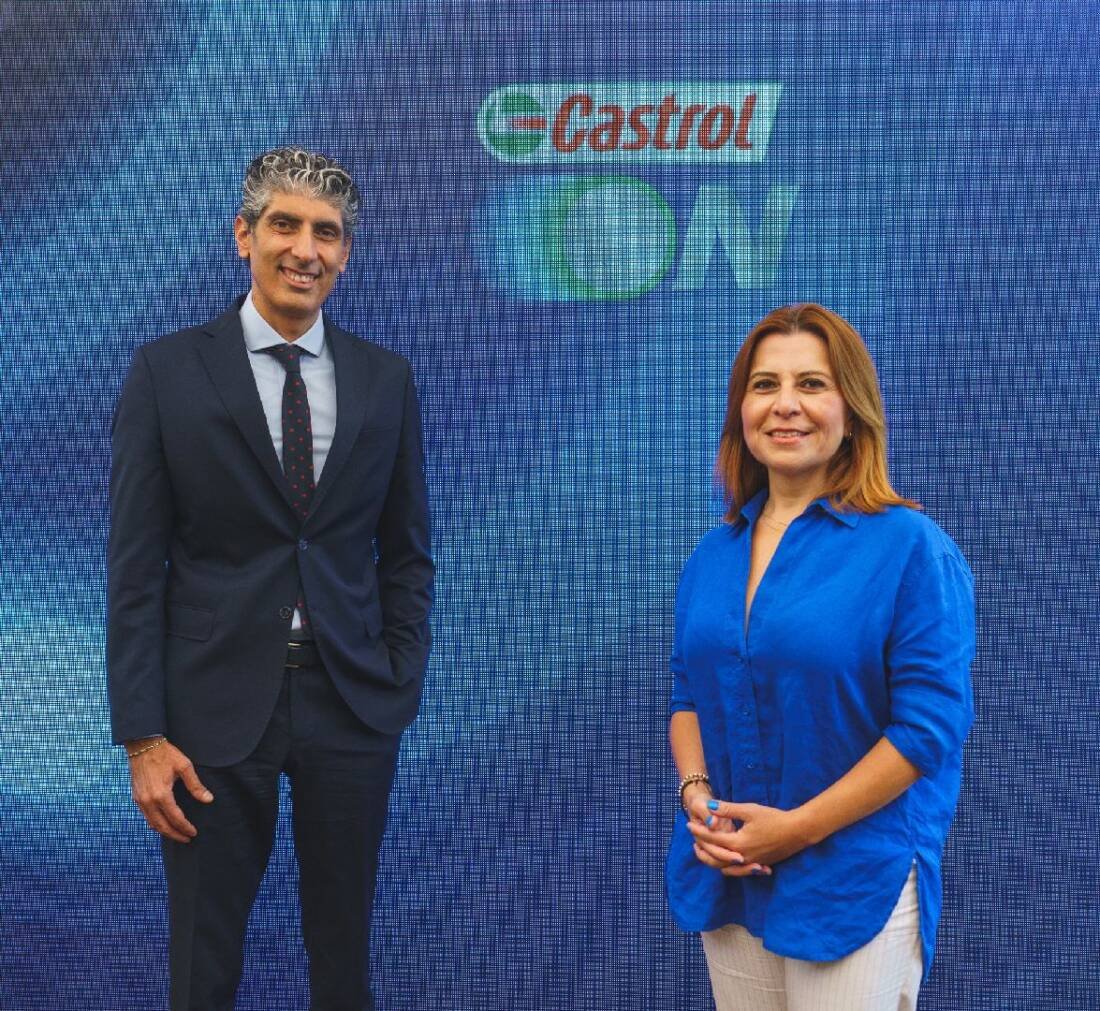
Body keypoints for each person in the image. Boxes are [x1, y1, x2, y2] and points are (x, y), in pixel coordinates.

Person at [107, 147, 433, 1010]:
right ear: (243, 235)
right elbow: (135, 567)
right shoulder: (166, 372)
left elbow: (406, 553)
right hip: (208, 713)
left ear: (346, 253)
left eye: (327, 232)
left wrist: (397, 676)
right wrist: (142, 736)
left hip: (352, 703)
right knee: (203, 965)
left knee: (343, 962)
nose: (305, 249)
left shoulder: (385, 380)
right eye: (285, 224)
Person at [667, 304, 974, 1010]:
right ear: (741, 410)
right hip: (732, 870)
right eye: (764, 385)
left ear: (852, 410)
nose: (785, 405)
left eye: (811, 384)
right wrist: (697, 797)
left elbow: (927, 731)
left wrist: (794, 831)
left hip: (854, 879)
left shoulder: (910, 547)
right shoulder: (712, 555)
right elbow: (687, 696)